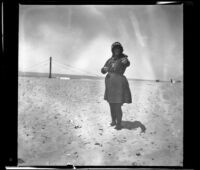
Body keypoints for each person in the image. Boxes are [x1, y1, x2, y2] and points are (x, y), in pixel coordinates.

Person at [101, 42, 132, 130]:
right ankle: (113, 120)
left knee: (117, 105)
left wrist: (126, 62)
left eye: (118, 48)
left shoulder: (123, 58)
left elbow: (127, 63)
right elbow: (103, 70)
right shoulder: (110, 60)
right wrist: (103, 69)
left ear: (120, 49)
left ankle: (119, 123)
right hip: (110, 84)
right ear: (113, 50)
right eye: (115, 49)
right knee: (111, 104)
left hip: (119, 84)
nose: (117, 50)